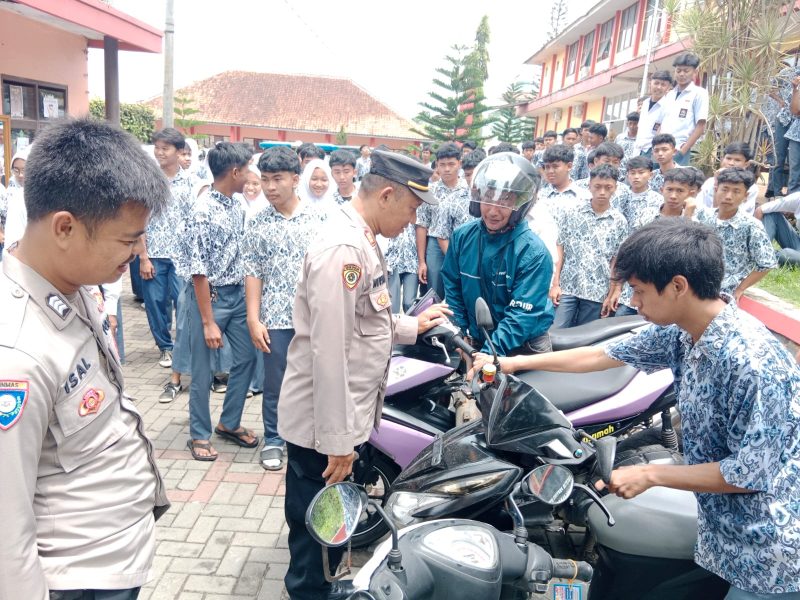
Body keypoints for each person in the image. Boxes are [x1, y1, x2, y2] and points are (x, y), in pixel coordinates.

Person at [469, 219, 800, 600]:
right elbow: (603, 354)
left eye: (639, 291)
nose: (635, 302)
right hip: (720, 530)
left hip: (766, 553)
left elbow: (749, 473)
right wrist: (516, 363)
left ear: (678, 285)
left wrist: (650, 474)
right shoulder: (685, 329)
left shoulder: (751, 362)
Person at [0, 116, 171, 599]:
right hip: (75, 580)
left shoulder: (67, 284)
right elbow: (5, 529)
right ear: (65, 228)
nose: (137, 253)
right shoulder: (15, 353)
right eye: (126, 240)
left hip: (111, 557)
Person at [277, 149, 450, 600]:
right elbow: (330, 351)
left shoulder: (363, 238)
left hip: (337, 417)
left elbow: (363, 321)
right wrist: (338, 441)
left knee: (330, 518)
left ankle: (322, 585)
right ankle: (308, 593)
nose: (414, 221)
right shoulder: (345, 249)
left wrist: (411, 326)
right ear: (388, 195)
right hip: (322, 422)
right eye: (412, 210)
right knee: (313, 522)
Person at [243, 146, 326, 471]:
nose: (270, 187)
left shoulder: (320, 220)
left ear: (295, 179)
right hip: (275, 319)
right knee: (276, 384)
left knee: (316, 381)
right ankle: (274, 440)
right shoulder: (258, 222)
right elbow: (253, 272)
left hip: (315, 319)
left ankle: (310, 439)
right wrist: (253, 318)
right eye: (265, 180)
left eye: (277, 179)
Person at [186, 142, 258, 461]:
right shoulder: (203, 211)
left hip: (237, 297)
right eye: (248, 168)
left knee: (246, 359)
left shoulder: (237, 205)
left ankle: (229, 423)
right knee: (202, 372)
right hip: (209, 299)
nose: (251, 174)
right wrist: (207, 321)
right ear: (234, 171)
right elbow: (198, 271)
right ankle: (199, 435)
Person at [442, 152, 554, 355]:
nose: (493, 211)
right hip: (476, 340)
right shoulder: (462, 237)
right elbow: (452, 286)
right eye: (488, 199)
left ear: (520, 205)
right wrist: (459, 330)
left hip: (523, 344)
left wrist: (489, 354)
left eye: (504, 202)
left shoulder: (533, 252)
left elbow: (522, 315)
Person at [550, 164, 629, 328]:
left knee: (584, 338)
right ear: (589, 186)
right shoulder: (572, 212)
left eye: (608, 187)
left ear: (615, 188)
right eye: (597, 186)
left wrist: (613, 291)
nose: (602, 192)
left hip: (597, 290)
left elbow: (617, 259)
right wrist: (555, 283)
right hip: (567, 287)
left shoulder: (619, 221)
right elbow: (560, 248)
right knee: (555, 332)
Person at [139, 128, 190, 371]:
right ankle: (165, 347)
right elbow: (139, 221)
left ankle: (183, 348)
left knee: (183, 303)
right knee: (155, 303)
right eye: (157, 147)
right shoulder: (147, 181)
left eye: (165, 148)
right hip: (154, 255)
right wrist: (143, 257)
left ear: (180, 152)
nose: (159, 152)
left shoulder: (192, 183)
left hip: (182, 257)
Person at [693, 168, 777, 300]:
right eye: (724, 189)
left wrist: (741, 288)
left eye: (736, 191)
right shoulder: (703, 216)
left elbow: (766, 263)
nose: (728, 196)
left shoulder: (751, 225)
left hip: (726, 290)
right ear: (716, 190)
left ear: (745, 196)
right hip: (696, 282)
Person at [415, 142, 469, 298]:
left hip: (463, 244)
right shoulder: (430, 191)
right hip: (435, 247)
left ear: (459, 163)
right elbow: (422, 224)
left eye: (451, 164)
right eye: (442, 164)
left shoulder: (468, 189)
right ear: (436, 166)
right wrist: (421, 261)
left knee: (462, 287)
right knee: (435, 289)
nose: (446, 169)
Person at [660, 53, 709, 166]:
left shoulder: (699, 94)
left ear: (694, 72)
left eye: (686, 71)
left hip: (679, 149)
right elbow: (662, 122)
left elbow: (700, 125)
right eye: (678, 71)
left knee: (677, 182)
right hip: (662, 149)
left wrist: (684, 149)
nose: (681, 74)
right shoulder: (669, 95)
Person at [696, 142, 759, 214]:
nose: (731, 163)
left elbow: (727, 214)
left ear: (746, 164)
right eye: (728, 158)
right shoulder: (710, 182)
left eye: (737, 160)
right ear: (723, 159)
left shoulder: (750, 187)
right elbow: (698, 206)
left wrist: (717, 183)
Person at [634, 70, 673, 158]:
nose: (659, 87)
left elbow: (664, 133)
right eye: (656, 83)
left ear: (668, 88)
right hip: (638, 151)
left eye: (663, 85)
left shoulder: (669, 107)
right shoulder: (644, 104)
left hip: (653, 152)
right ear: (650, 84)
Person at [755, 192, 800, 266]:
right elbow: (760, 210)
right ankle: (760, 250)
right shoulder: (798, 197)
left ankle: (762, 256)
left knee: (786, 255)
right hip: (797, 243)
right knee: (771, 213)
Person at [619, 155, 663, 226]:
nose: (636, 177)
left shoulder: (658, 200)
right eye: (632, 173)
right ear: (627, 176)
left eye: (641, 172)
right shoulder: (620, 196)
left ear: (651, 175)